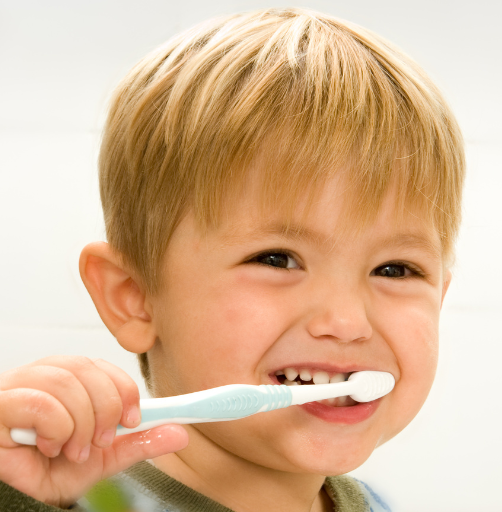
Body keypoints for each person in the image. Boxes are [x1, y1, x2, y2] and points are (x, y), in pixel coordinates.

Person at [0, 7, 464, 511]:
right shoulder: (70, 498)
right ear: (133, 298)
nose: (347, 322)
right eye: (277, 259)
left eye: (395, 270)